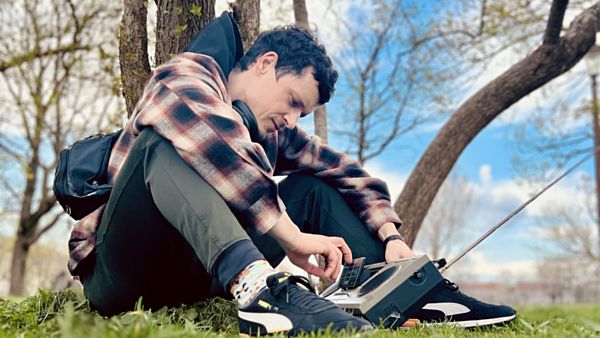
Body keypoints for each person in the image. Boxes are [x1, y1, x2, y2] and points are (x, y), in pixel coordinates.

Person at [67, 12, 515, 335]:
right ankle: (260, 293)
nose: (293, 118)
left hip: (192, 273)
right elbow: (214, 141)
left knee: (314, 187)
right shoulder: (185, 76)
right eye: (294, 101)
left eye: (304, 112)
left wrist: (392, 238)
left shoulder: (272, 131)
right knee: (163, 145)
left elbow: (350, 174)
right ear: (266, 64)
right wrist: (289, 237)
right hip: (121, 273)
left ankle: (405, 292)